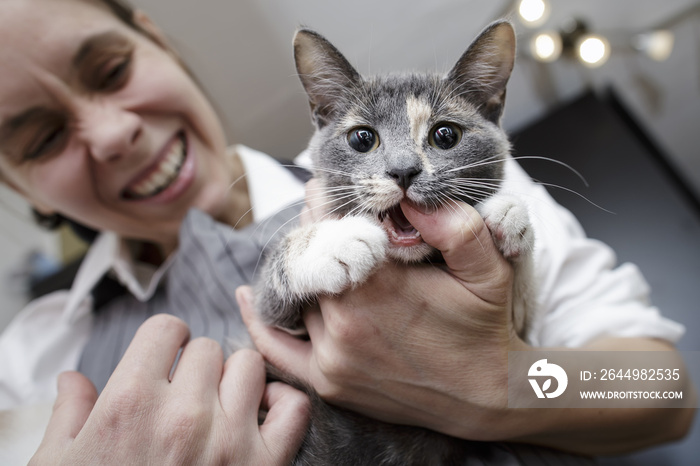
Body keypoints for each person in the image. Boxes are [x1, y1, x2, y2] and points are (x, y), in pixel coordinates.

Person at [0, 0, 694, 463]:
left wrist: (503, 386)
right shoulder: (34, 359)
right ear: (12, 183)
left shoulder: (468, 190)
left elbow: (660, 387)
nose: (114, 132)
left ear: (154, 38)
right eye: (43, 138)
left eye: (112, 70)